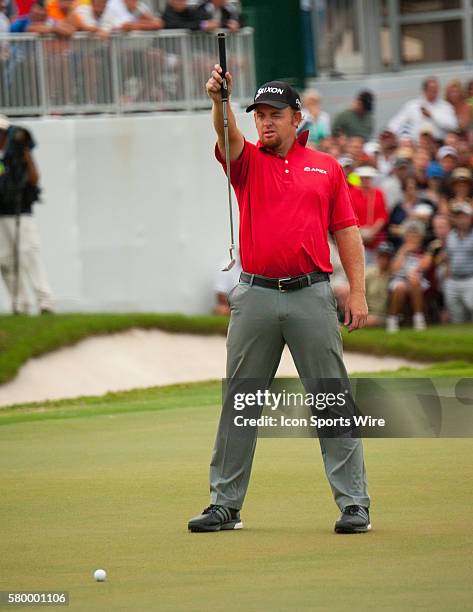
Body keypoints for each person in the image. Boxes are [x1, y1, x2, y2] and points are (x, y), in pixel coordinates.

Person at [188, 69, 371, 534]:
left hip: (312, 293)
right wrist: (219, 100)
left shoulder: (326, 167)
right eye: (259, 116)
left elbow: (346, 231)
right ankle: (224, 505)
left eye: (274, 115)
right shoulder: (246, 161)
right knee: (241, 401)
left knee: (331, 399)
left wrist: (359, 291)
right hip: (256, 297)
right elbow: (225, 131)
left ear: (296, 118)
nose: (265, 124)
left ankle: (354, 504)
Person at [0, 115, 55, 314]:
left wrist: (25, 152)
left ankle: (45, 301)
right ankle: (20, 303)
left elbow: (34, 179)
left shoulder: (16, 152)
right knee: (5, 260)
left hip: (21, 213)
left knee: (29, 255)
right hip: (1, 214)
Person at [386, 220, 430, 332]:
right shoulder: (399, 250)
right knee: (400, 287)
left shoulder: (424, 251)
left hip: (418, 280)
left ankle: (418, 318)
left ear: (421, 236)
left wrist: (412, 274)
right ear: (404, 236)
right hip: (399, 279)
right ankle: (392, 319)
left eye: (415, 234)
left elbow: (425, 265)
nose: (412, 237)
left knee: (415, 281)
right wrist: (404, 251)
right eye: (409, 234)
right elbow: (393, 270)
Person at [388, 77, 458, 142]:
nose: (435, 92)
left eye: (436, 90)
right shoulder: (412, 105)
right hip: (417, 144)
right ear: (424, 90)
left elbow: (453, 125)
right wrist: (388, 135)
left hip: (438, 143)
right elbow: (396, 123)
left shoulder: (445, 106)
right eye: (432, 90)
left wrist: (432, 115)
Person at [352, 165, 389, 264]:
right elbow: (350, 215)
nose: (365, 180)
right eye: (363, 178)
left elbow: (383, 215)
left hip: (375, 238)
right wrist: (360, 232)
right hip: (357, 236)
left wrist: (372, 231)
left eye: (367, 178)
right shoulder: (352, 194)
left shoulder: (379, 193)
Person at [444, 202, 473, 323]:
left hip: (470, 280)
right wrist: (447, 279)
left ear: (470, 218)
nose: (461, 220)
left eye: (463, 216)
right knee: (457, 318)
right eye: (458, 217)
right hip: (453, 281)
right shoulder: (450, 236)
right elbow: (448, 258)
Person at [365, 241, 394, 327]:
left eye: (386, 257)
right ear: (377, 257)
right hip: (368, 312)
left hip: (383, 315)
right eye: (381, 256)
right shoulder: (368, 273)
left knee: (372, 321)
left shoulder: (392, 274)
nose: (384, 260)